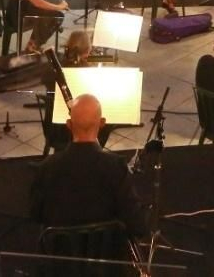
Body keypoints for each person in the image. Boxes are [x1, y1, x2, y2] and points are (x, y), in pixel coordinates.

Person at [29, 94, 145, 234]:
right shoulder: (116, 167)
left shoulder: (47, 166)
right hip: (106, 252)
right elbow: (137, 225)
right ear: (102, 123)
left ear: (69, 125)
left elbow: (35, 215)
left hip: (59, 252)